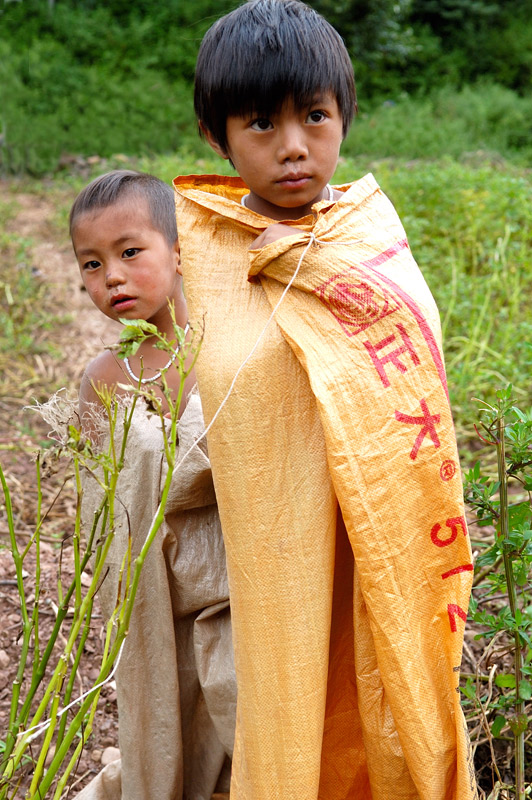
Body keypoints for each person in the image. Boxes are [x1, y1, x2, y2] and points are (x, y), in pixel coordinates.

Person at [172, 2, 477, 799]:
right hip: (274, 553)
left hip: (377, 527)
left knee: (384, 686)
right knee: (289, 702)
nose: (294, 146)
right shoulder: (206, 255)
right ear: (217, 136)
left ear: (344, 114)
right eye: (260, 124)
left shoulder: (367, 236)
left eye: (314, 115)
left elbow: (413, 366)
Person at [69, 170, 236, 800]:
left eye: (129, 252)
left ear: (180, 252)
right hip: (150, 595)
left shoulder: (224, 352)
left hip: (230, 583)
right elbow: (98, 502)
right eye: (91, 263)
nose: (110, 276)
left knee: (243, 710)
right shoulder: (102, 379)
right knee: (168, 725)